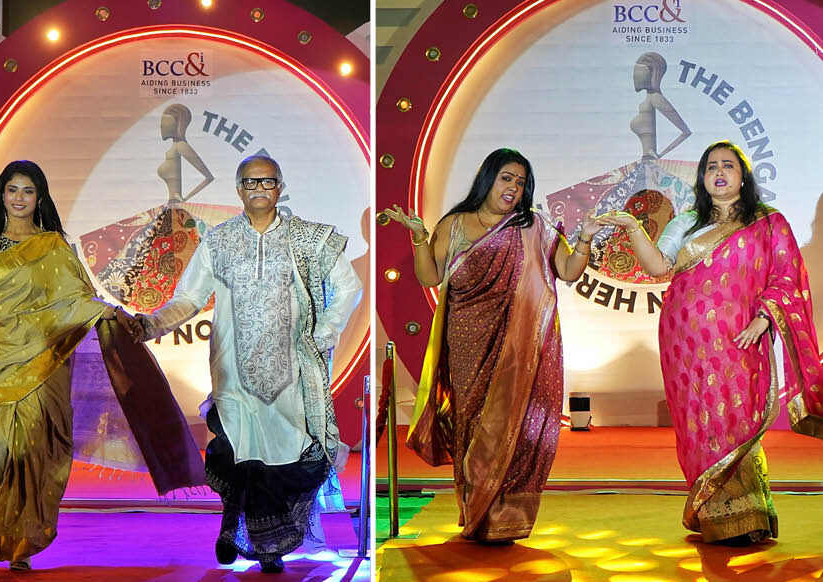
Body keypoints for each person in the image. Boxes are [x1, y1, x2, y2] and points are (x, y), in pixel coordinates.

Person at [0, 160, 204, 570]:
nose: (19, 198)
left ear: (40, 198)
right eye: (12, 190)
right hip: (2, 360)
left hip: (45, 362)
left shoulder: (54, 246)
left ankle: (22, 542)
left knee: (35, 448)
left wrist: (107, 313)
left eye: (28, 191)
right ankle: (2, 522)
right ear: (1, 194)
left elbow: (74, 300)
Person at [133, 154, 362, 573]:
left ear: (280, 187)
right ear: (238, 189)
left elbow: (349, 286)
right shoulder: (219, 242)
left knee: (286, 460)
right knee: (237, 454)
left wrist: (324, 331)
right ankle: (236, 529)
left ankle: (268, 545)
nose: (259, 189)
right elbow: (189, 297)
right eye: (250, 182)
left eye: (267, 181)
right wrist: (151, 324)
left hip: (291, 376)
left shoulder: (306, 239)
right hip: (232, 373)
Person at [598, 140, 823, 544]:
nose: (719, 173)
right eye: (711, 167)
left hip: (740, 338)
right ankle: (712, 514)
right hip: (686, 343)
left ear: (743, 175)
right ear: (702, 178)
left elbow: (787, 278)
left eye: (728, 166)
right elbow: (658, 269)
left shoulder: (769, 223)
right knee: (701, 422)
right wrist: (634, 229)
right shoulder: (685, 222)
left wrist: (763, 316)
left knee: (736, 419)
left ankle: (748, 515)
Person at [385, 148, 601, 542]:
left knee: (512, 425)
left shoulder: (533, 227)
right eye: (506, 178)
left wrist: (584, 238)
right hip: (466, 341)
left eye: (520, 182)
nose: (514, 188)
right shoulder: (455, 224)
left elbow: (568, 271)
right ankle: (476, 511)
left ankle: (504, 516)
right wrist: (418, 236)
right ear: (488, 179)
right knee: (474, 423)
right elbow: (429, 277)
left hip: (517, 345)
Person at [83, 103, 216, 311]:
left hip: (176, 214)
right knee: (141, 264)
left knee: (178, 268)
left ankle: (169, 313)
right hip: (166, 211)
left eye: (167, 122)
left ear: (177, 124)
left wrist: (185, 198)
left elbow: (207, 176)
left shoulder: (181, 147)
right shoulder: (173, 148)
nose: (163, 127)